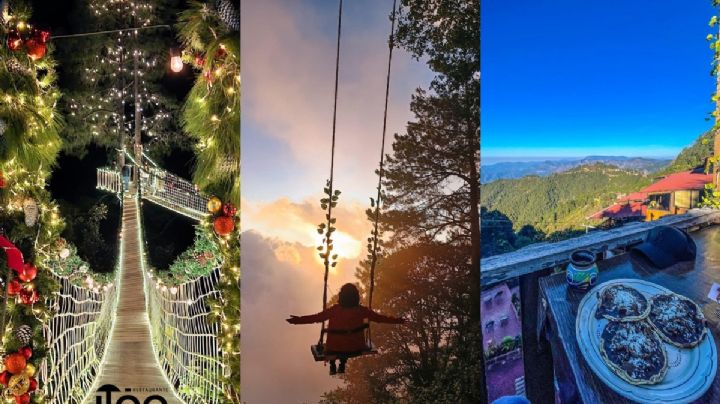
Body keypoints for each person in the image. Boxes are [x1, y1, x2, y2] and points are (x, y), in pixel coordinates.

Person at [287, 283, 404, 375]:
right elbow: (379, 318)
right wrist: (398, 320)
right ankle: (343, 362)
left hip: (334, 348)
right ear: (356, 297)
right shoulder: (362, 311)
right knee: (348, 341)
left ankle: (333, 363)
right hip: (356, 347)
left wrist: (298, 320)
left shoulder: (334, 310)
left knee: (334, 343)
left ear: (341, 296)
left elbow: (317, 318)